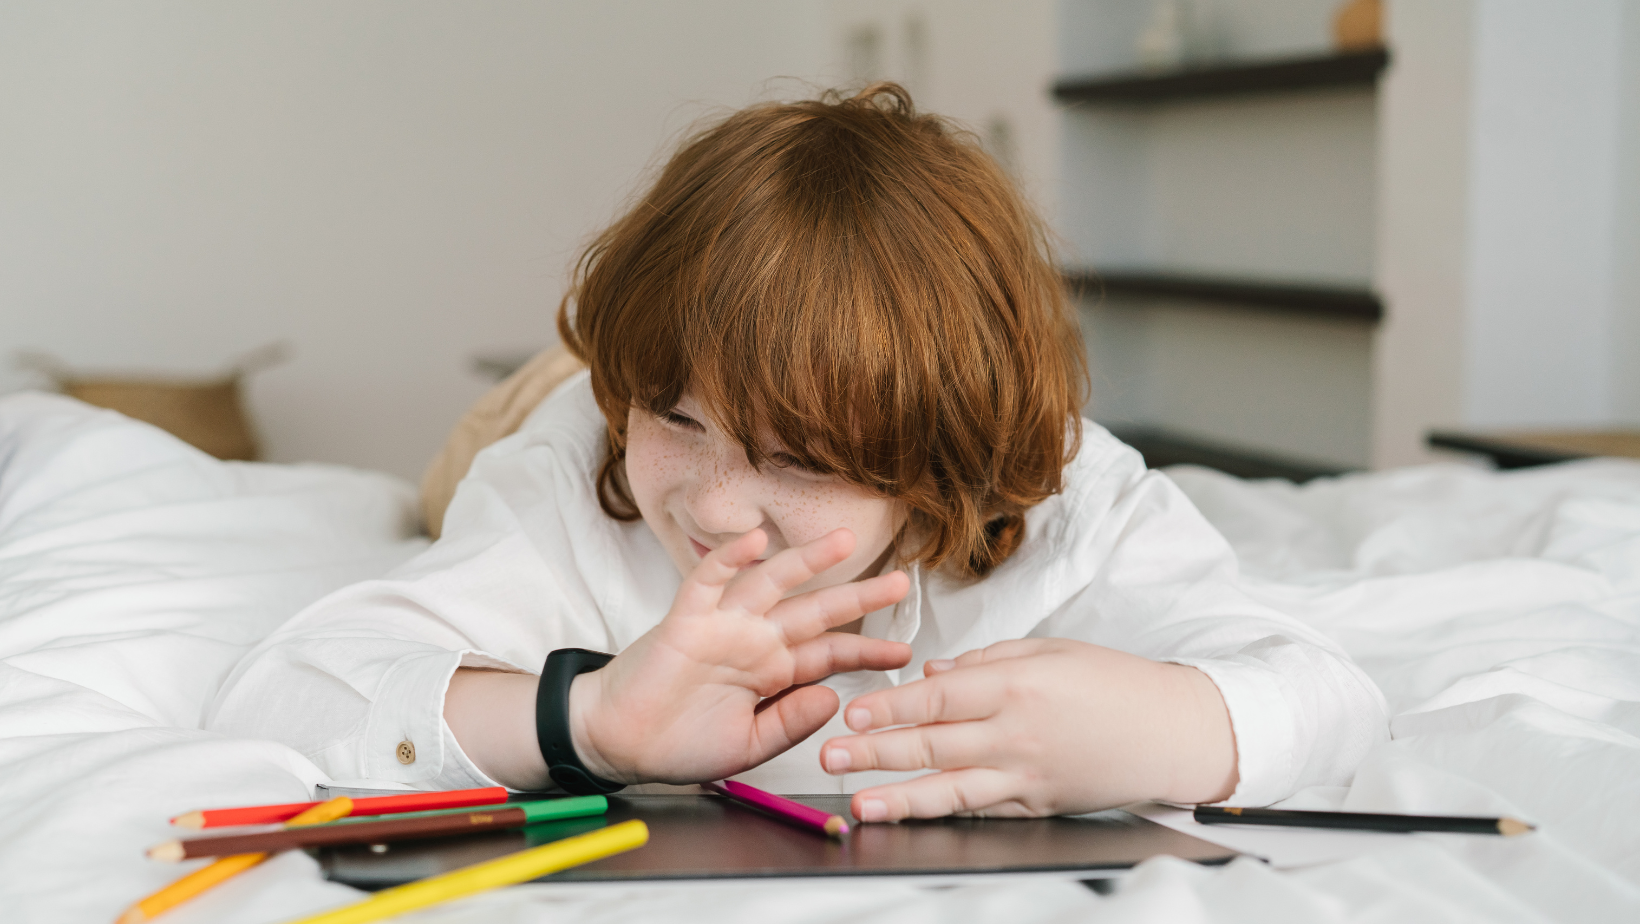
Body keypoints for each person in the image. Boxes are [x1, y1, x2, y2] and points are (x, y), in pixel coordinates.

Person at [208, 84, 1386, 822]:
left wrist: (1162, 731)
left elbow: (1331, 699)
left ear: (942, 458)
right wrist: (592, 720)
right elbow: (285, 690)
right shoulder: (582, 468)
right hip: (547, 403)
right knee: (487, 449)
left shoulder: (1073, 497)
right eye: (679, 417)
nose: (719, 511)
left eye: (802, 456)